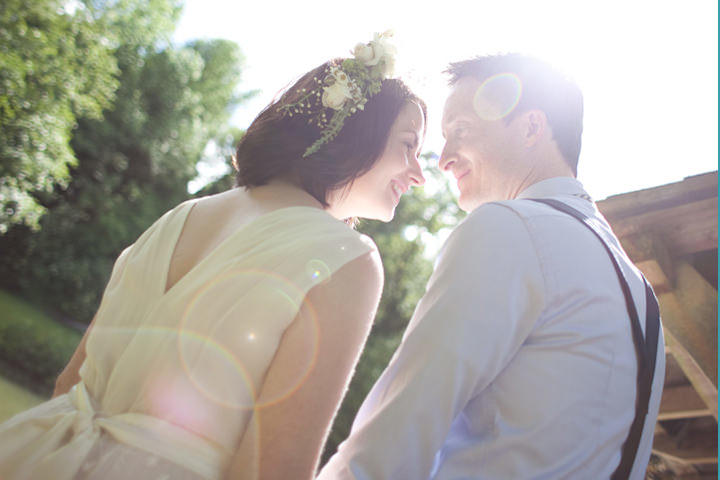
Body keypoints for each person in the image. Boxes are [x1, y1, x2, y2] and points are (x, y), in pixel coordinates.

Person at [0, 32, 427, 480]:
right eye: (407, 145)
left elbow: (70, 384)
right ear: (355, 134)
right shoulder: (347, 259)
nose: (418, 174)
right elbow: (272, 468)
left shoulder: (181, 216)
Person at [318, 54, 665, 479]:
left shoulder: (511, 227)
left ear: (532, 128)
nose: (443, 160)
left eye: (460, 132)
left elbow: (399, 427)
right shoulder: (638, 289)